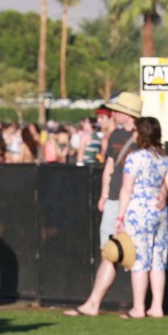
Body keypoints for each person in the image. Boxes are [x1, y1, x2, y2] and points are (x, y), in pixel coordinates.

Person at [63, 92, 146, 317]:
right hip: (113, 201)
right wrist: (104, 194)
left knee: (137, 255)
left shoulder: (142, 138)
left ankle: (139, 307)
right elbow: (110, 167)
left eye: (117, 110)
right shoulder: (116, 135)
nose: (113, 114)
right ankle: (93, 303)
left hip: (133, 202)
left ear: (127, 114)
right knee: (109, 252)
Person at [116, 116, 168, 318]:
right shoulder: (163, 158)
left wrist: (120, 217)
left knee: (139, 261)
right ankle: (157, 307)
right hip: (160, 213)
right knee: (158, 260)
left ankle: (138, 307)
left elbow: (126, 189)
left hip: (139, 211)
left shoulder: (135, 157)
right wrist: (161, 190)